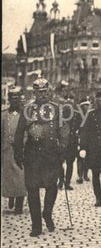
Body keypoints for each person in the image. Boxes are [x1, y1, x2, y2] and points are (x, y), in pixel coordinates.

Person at [14, 78, 69, 237]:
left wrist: (63, 147)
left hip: (51, 154)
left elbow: (64, 130)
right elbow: (19, 133)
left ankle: (47, 213)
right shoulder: (27, 109)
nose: (42, 95)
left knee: (52, 187)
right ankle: (36, 225)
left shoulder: (56, 108)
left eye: (45, 91)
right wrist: (18, 153)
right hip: (33, 156)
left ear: (48, 92)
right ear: (34, 93)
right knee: (32, 190)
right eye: (39, 92)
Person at [79, 90, 101, 207]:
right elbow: (84, 132)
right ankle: (98, 197)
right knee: (95, 174)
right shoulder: (91, 114)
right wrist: (83, 147)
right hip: (94, 149)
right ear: (97, 101)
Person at [1, 86, 27, 215]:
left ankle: (19, 205)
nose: (15, 101)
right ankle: (11, 197)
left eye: (17, 98)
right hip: (7, 151)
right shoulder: (4, 115)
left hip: (20, 151)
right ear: (9, 99)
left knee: (21, 178)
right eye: (12, 98)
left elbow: (28, 132)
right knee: (9, 177)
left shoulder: (24, 114)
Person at [58, 94, 82, 190]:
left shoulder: (77, 114)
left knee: (70, 163)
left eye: (71, 99)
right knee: (59, 162)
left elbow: (81, 128)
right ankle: (60, 180)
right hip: (61, 142)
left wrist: (78, 135)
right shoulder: (59, 114)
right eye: (66, 99)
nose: (68, 101)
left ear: (73, 102)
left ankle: (67, 182)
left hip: (72, 142)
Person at [76, 96, 91, 184]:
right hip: (80, 138)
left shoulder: (90, 115)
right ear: (81, 106)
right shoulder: (78, 115)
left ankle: (85, 174)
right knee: (80, 157)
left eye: (88, 105)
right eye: (85, 105)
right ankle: (80, 176)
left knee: (88, 157)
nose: (87, 107)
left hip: (89, 139)